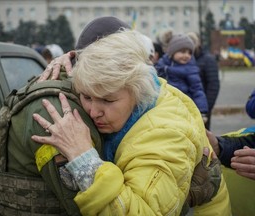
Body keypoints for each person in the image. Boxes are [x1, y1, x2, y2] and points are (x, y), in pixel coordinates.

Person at [32, 29, 231, 215]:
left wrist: (83, 159)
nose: (93, 111)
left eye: (107, 100)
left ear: (138, 92)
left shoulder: (165, 134)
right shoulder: (143, 93)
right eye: (86, 96)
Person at [154, 31, 209, 121]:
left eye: (189, 53)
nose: (186, 55)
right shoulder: (161, 65)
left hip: (183, 107)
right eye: (183, 52)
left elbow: (197, 90)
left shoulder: (190, 69)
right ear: (172, 52)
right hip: (164, 106)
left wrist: (202, 111)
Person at [187, 32, 220, 130]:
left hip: (202, 109)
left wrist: (206, 108)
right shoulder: (185, 60)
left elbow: (213, 86)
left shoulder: (208, 60)